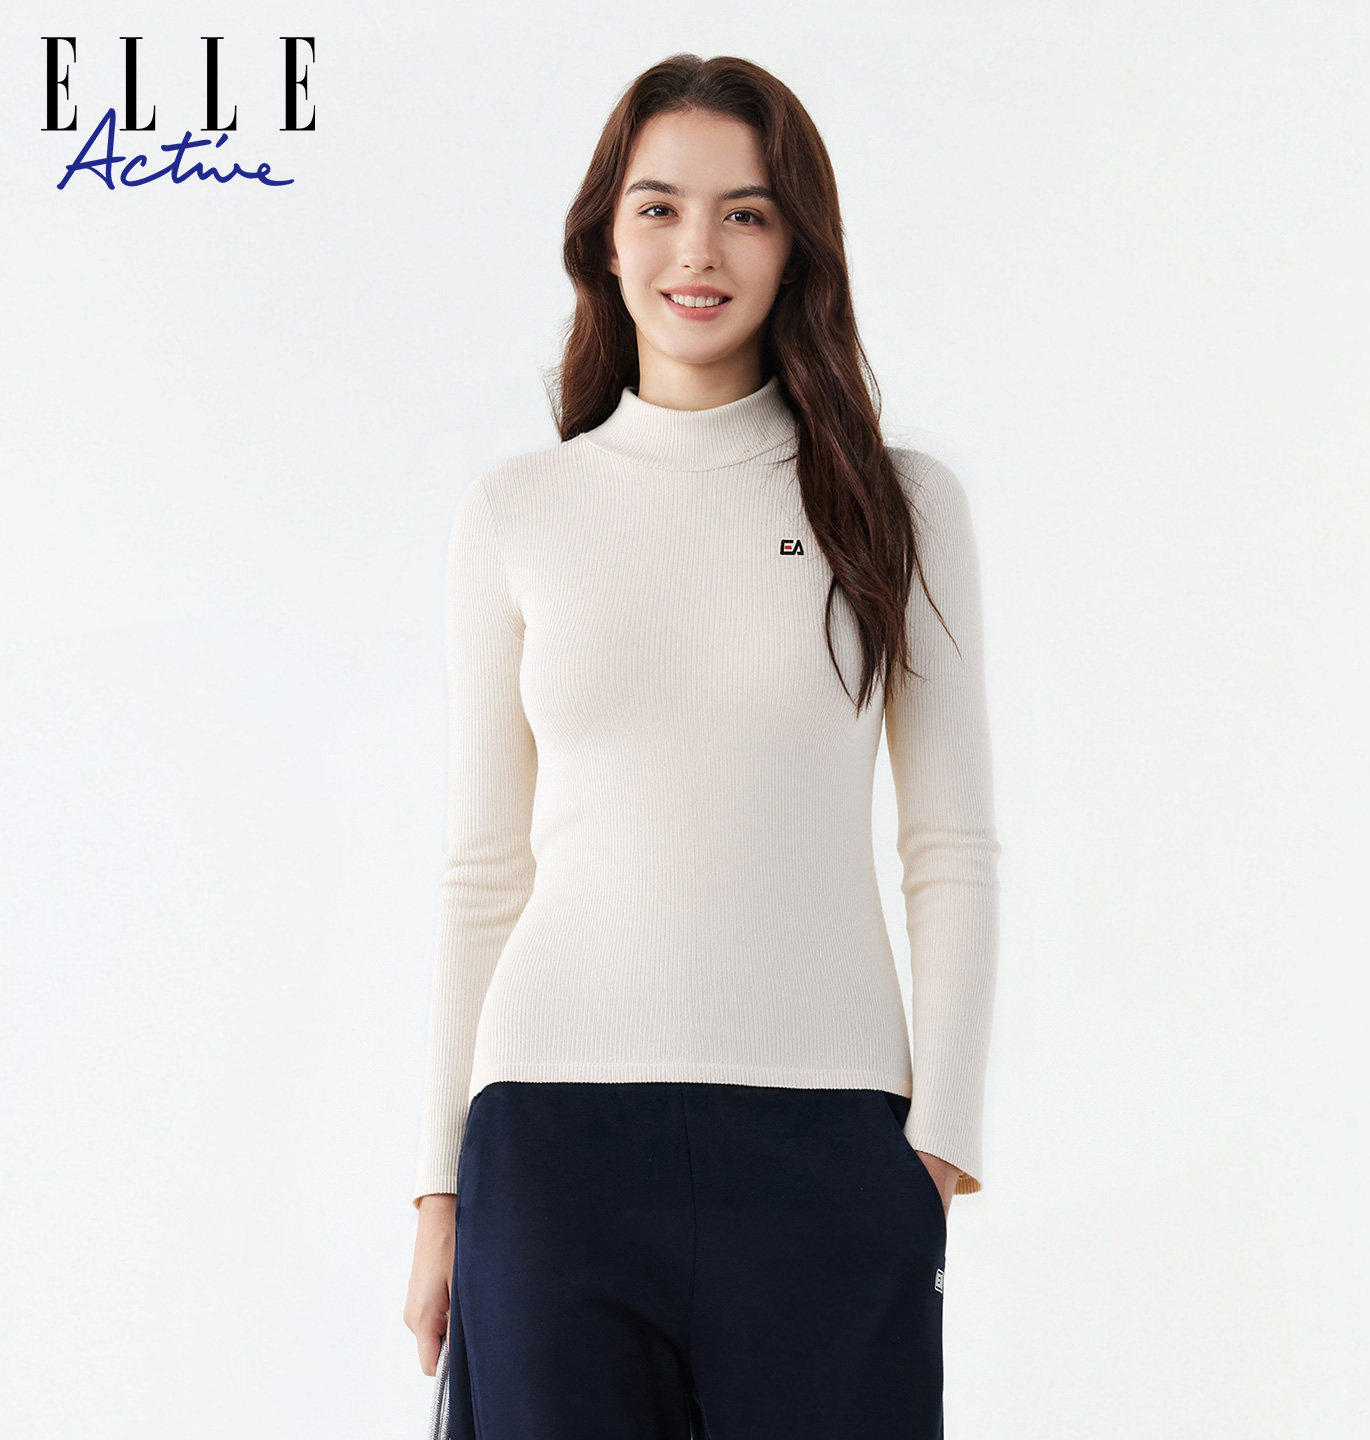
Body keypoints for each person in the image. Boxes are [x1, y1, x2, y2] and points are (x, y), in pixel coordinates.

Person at [401, 52, 1001, 1440]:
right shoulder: (520, 512)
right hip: (550, 1144)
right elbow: (483, 870)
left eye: (747, 212)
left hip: (827, 1145)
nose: (698, 249)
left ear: (798, 246)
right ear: (604, 239)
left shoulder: (897, 507)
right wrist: (439, 1193)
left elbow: (952, 846)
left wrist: (936, 1152)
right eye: (660, 207)